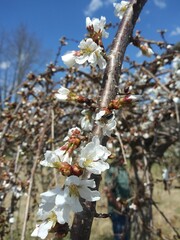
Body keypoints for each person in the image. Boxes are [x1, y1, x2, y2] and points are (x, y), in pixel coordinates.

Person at [104, 159, 131, 240]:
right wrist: (119, 206)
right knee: (120, 236)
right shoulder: (112, 170)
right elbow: (107, 191)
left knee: (126, 235)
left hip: (126, 210)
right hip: (117, 211)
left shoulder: (124, 169)